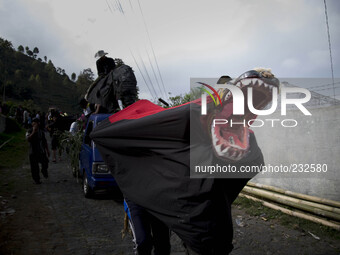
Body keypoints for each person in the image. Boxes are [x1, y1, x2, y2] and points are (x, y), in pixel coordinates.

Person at [26, 118, 50, 184]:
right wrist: (33, 132)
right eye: (33, 123)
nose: (34, 124)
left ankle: (44, 171)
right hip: (33, 152)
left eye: (36, 123)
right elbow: (28, 139)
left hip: (41, 151)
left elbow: (44, 141)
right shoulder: (29, 130)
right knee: (34, 167)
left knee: (45, 162)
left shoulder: (41, 132)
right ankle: (37, 180)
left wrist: (47, 150)